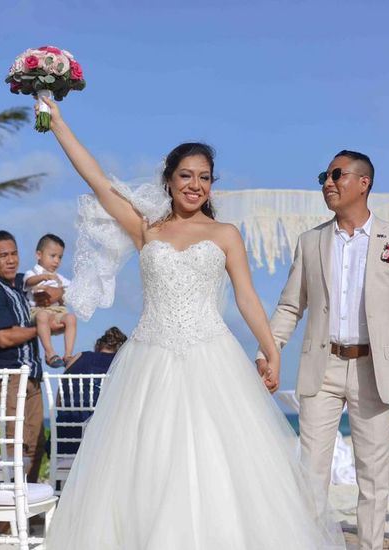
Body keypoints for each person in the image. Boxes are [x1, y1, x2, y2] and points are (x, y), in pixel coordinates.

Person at [39, 97, 344, 549]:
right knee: (148, 464)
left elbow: (247, 298)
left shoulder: (225, 235)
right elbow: (98, 180)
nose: (195, 185)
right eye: (186, 175)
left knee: (219, 465)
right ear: (168, 180)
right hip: (149, 359)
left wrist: (272, 349)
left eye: (204, 178)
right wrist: (59, 123)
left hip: (211, 355)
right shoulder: (147, 229)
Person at [259, 150, 389, 550]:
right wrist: (270, 350)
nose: (327, 183)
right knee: (311, 472)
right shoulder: (311, 242)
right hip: (322, 366)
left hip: (377, 368)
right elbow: (290, 305)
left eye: (337, 175)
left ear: (363, 183)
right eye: (324, 175)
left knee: (373, 475)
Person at [0, 230, 59, 484]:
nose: (11, 260)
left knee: (37, 444)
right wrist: (42, 328)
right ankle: (8, 517)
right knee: (18, 443)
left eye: (14, 253)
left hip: (32, 376)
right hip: (8, 376)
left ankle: (27, 510)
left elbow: (54, 295)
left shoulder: (23, 285)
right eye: (3, 256)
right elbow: (4, 337)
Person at [53, 326, 128, 456]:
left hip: (65, 438)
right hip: (99, 446)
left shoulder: (79, 356)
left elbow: (59, 402)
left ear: (99, 345)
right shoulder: (121, 363)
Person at [24, 233, 77, 368]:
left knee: (71, 318)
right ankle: (50, 353)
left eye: (60, 257)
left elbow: (72, 289)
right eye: (52, 256)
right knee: (42, 315)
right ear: (39, 255)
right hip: (39, 311)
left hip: (57, 311)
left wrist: (62, 292)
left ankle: (68, 355)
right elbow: (29, 282)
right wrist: (44, 277)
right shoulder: (33, 273)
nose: (56, 261)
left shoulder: (59, 277)